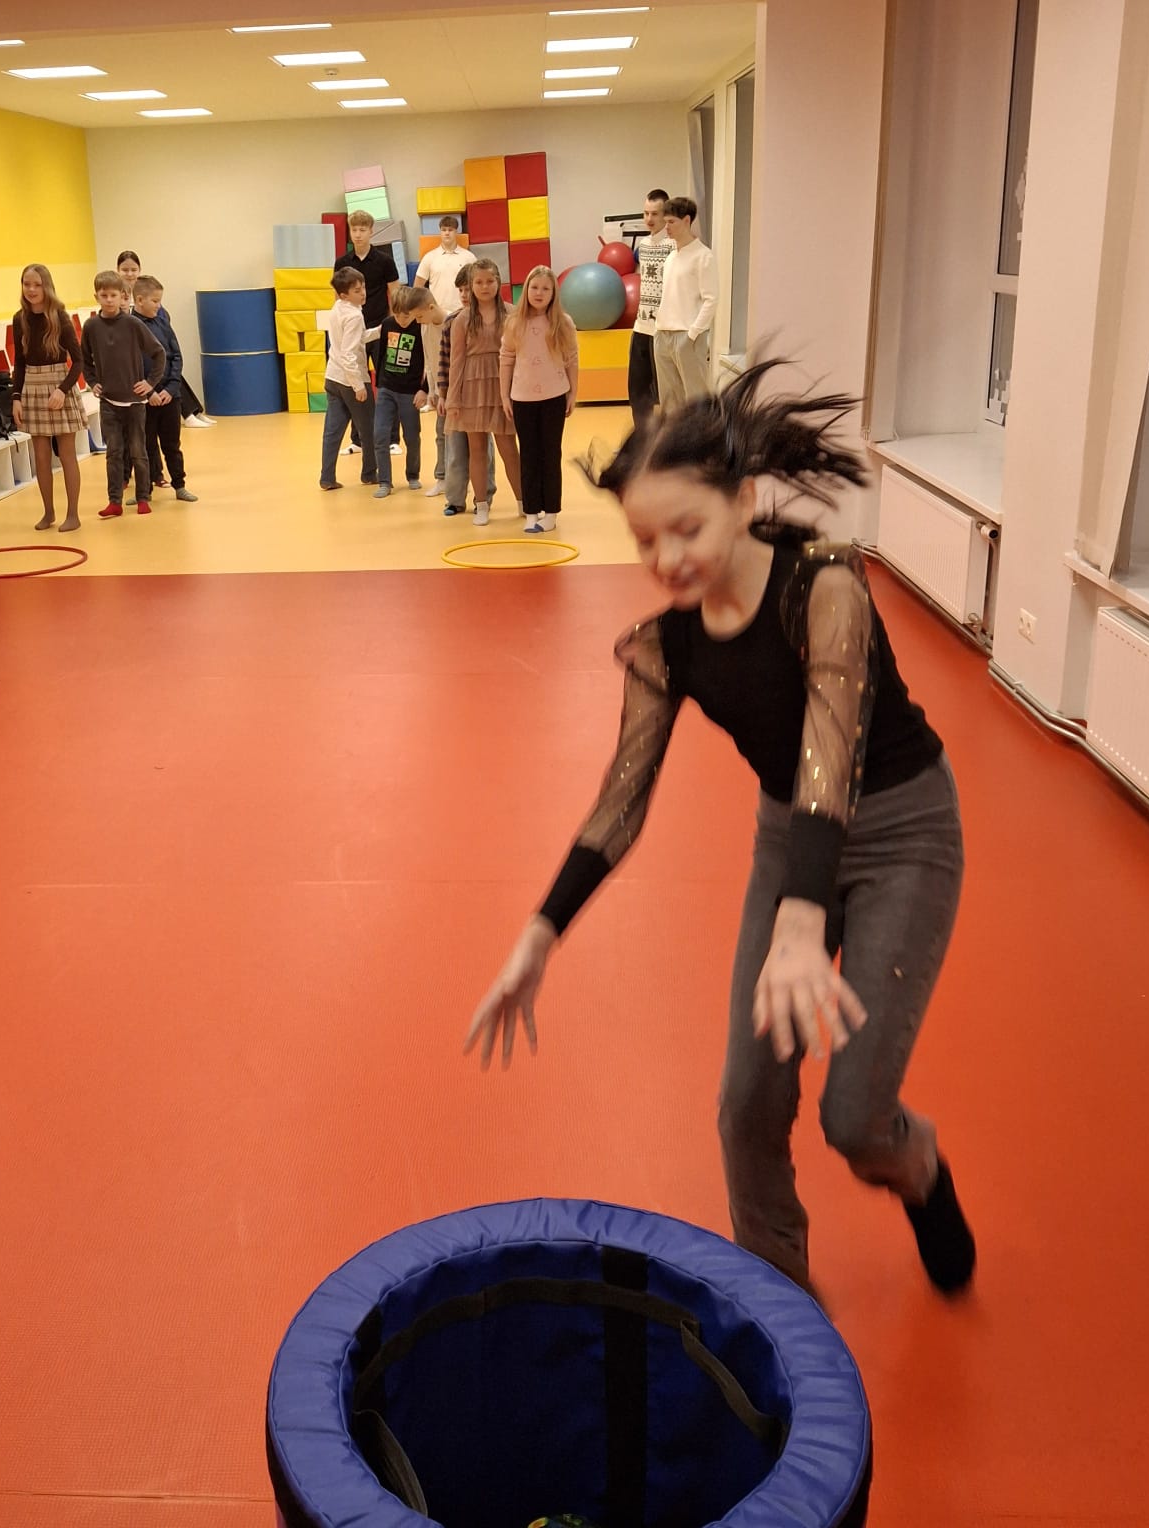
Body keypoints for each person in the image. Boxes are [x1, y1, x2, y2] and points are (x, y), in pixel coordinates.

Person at [464, 361, 977, 1302]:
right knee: (745, 1108)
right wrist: (541, 932)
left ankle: (921, 1169)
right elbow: (621, 800)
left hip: (902, 832)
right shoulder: (669, 645)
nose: (666, 560)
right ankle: (779, 1315)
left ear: (743, 501)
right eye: (644, 540)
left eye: (687, 529)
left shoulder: (825, 586)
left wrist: (801, 923)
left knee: (856, 1119)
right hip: (792, 838)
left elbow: (830, 751)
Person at [499, 266, 578, 535]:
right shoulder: (514, 323)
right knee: (529, 455)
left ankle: (551, 512)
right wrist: (504, 395)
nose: (539, 293)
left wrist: (573, 393)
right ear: (526, 290)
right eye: (534, 287)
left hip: (554, 397)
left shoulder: (563, 322)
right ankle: (531, 512)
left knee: (550, 453)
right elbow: (506, 359)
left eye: (545, 288)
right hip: (522, 399)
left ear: (553, 292)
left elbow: (571, 358)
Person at [10, 263, 88, 533]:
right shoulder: (19, 319)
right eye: (27, 284)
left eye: (37, 284)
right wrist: (16, 397)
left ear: (47, 286)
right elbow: (19, 363)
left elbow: (78, 361)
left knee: (67, 455)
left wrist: (62, 390)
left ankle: (73, 514)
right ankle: (48, 512)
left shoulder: (60, 317)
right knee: (41, 457)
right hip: (32, 386)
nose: (31, 289)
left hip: (59, 386)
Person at [80, 271, 164, 519]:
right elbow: (85, 359)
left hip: (135, 402)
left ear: (123, 296)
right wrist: (92, 382)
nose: (108, 300)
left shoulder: (133, 324)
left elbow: (158, 353)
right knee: (113, 452)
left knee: (138, 451)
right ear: (96, 296)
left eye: (113, 295)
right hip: (108, 401)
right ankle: (114, 501)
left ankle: (143, 498)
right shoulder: (91, 326)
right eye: (104, 295)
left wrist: (150, 383)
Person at [447, 258, 522, 527]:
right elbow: (456, 361)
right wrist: (452, 398)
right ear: (471, 285)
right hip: (473, 386)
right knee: (476, 449)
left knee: (508, 448)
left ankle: (524, 502)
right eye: (478, 282)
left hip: (504, 384)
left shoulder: (512, 313)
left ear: (498, 282)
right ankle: (481, 505)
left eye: (490, 281)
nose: (484, 286)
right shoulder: (462, 319)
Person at [116, 250, 213, 432]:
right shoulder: (118, 295)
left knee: (171, 369)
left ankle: (193, 411)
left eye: (133, 270)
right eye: (125, 270)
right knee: (160, 369)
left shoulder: (149, 291)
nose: (129, 274)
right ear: (118, 270)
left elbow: (163, 319)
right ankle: (188, 413)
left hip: (158, 349)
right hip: (141, 367)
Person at [414, 215, 477, 493]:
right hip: (437, 317)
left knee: (470, 437)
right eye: (443, 230)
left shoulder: (468, 257)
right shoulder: (430, 258)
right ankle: (443, 478)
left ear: (457, 232)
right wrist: (433, 389)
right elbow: (418, 285)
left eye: (451, 229)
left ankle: (474, 484)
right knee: (443, 429)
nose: (447, 234)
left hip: (458, 318)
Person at [334, 210, 400, 454]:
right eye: (354, 230)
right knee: (356, 382)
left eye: (363, 229)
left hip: (380, 327)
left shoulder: (385, 261)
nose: (358, 234)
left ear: (371, 231)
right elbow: (338, 299)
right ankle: (358, 439)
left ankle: (392, 439)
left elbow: (395, 292)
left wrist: (394, 324)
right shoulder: (342, 263)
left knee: (387, 382)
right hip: (355, 330)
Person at [434, 262, 497, 519]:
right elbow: (446, 361)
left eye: (466, 289)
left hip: (486, 393)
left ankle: (485, 496)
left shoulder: (498, 316)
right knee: (456, 450)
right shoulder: (453, 321)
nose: (463, 294)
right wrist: (443, 394)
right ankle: (455, 499)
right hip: (458, 395)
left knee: (484, 450)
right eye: (460, 290)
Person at [372, 285, 445, 498]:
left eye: (406, 316)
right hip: (386, 389)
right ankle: (384, 480)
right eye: (398, 315)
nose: (402, 320)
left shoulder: (420, 327)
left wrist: (423, 389)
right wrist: (380, 382)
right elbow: (380, 354)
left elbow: (428, 360)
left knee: (412, 436)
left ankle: (412, 474)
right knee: (380, 434)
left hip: (410, 392)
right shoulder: (387, 324)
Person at [131, 275, 198, 503]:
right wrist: (149, 392)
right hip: (145, 399)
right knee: (146, 445)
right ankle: (145, 490)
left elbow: (176, 356)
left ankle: (180, 485)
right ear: (140, 300)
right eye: (155, 301)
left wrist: (170, 388)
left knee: (172, 445)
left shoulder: (163, 323)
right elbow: (132, 364)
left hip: (170, 396)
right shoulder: (130, 327)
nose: (159, 306)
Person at [653, 196, 718, 410]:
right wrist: (658, 329)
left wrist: (693, 334)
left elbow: (711, 300)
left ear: (687, 220)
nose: (667, 227)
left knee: (696, 400)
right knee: (669, 402)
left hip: (688, 335)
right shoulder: (671, 257)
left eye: (672, 222)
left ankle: (702, 433)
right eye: (666, 222)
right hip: (663, 334)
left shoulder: (703, 256)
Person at [318, 268, 380, 490]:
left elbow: (354, 340)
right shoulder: (354, 315)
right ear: (344, 295)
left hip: (333, 376)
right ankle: (369, 473)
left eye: (363, 287)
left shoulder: (337, 308)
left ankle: (327, 477)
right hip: (350, 380)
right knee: (368, 428)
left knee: (332, 432)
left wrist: (379, 331)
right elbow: (349, 354)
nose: (363, 293)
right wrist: (358, 386)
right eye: (357, 290)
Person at [628, 188, 674, 430]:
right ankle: (642, 438)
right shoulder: (644, 245)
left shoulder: (674, 246)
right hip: (641, 327)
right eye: (645, 213)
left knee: (667, 392)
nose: (649, 219)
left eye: (654, 214)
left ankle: (668, 439)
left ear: (666, 214)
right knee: (637, 391)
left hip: (664, 329)